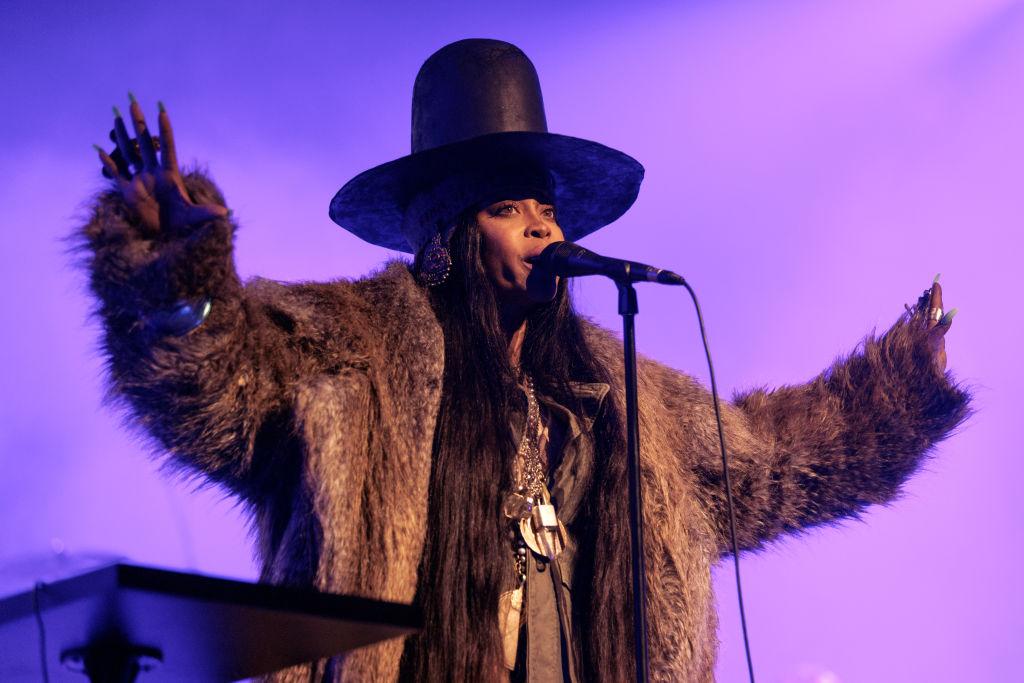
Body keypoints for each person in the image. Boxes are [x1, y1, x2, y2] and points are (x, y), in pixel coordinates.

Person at [79, 39, 970, 682]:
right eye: (512, 208)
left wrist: (897, 381)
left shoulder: (619, 397)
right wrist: (175, 277)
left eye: (548, 209)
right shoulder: (352, 361)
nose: (546, 227)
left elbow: (773, 459)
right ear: (450, 238)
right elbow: (222, 383)